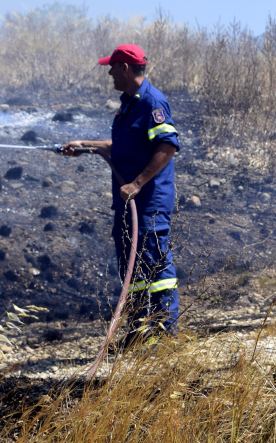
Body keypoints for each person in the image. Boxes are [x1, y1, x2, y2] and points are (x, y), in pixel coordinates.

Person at [62, 43, 180, 338]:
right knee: (133, 266)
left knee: (155, 267)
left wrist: (138, 184)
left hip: (148, 203)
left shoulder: (152, 102)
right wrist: (84, 146)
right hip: (128, 202)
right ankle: (140, 333)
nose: (110, 74)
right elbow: (122, 147)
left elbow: (168, 146)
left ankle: (164, 335)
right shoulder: (129, 104)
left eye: (112, 68)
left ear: (125, 68)